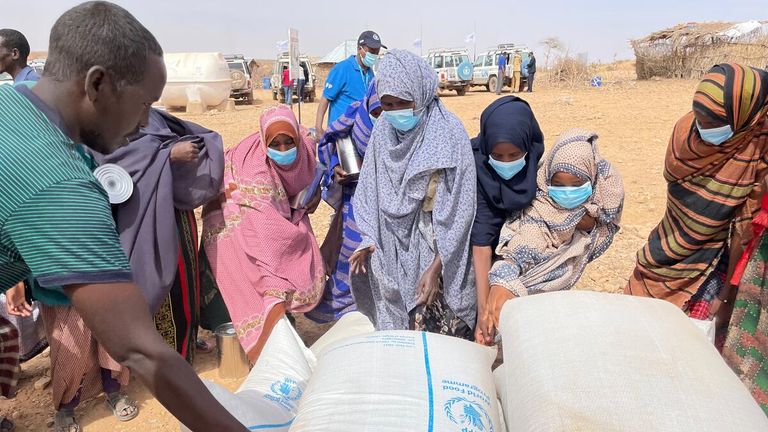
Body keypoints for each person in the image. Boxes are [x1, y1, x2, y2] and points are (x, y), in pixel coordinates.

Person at [0, 2, 249, 431]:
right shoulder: (60, 185)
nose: (145, 123)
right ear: (98, 84)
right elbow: (140, 351)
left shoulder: (13, 101)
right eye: (144, 104)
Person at [625, 64, 768, 336]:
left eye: (715, 124)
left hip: (716, 259)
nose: (703, 129)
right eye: (699, 118)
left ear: (746, 118)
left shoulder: (756, 144)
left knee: (687, 337)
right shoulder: (685, 131)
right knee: (635, 324)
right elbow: (682, 199)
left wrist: (726, 297)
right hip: (668, 245)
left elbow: (744, 228)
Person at [349, 49, 477, 339]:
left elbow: (460, 207)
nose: (395, 112)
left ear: (421, 94)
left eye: (403, 103)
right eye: (387, 104)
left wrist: (436, 267)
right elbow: (369, 189)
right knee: (403, 338)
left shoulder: (448, 133)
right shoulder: (383, 130)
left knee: (439, 334)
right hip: (394, 248)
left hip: (440, 247)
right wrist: (369, 238)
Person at [94, 108, 226, 363]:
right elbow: (111, 163)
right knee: (153, 277)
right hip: (141, 213)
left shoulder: (152, 113)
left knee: (186, 278)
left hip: (176, 209)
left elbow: (192, 135)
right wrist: (168, 155)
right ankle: (160, 353)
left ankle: (186, 340)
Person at [202, 104, 324, 362]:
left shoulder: (307, 149)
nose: (282, 150)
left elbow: (306, 184)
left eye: (288, 142)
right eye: (275, 144)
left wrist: (313, 197)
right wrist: (298, 223)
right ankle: (267, 342)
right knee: (262, 273)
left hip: (268, 208)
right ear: (263, 142)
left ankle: (280, 327)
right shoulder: (255, 169)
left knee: (273, 271)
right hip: (231, 215)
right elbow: (271, 239)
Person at [483, 129, 624, 338]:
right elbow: (522, 246)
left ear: (592, 181)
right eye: (558, 185)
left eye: (577, 185)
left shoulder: (598, 203)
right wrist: (503, 279)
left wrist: (586, 225)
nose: (567, 191)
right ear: (547, 180)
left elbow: (604, 226)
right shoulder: (540, 209)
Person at [470, 96, 545, 344]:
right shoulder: (477, 166)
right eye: (497, 156)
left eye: (514, 155)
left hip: (525, 254)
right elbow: (481, 241)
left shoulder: (543, 171)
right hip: (484, 251)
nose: (505, 163)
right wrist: (483, 310)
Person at [305, 82, 381, 323]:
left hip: (393, 206)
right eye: (378, 111)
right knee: (352, 257)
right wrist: (335, 166)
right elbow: (328, 142)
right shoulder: (355, 116)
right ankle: (346, 315)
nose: (385, 117)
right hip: (356, 198)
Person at [314, 31, 385, 136]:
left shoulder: (370, 74)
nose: (374, 55)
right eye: (372, 51)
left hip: (361, 131)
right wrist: (318, 128)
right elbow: (325, 99)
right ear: (359, 49)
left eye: (377, 51)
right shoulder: (342, 69)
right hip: (340, 132)